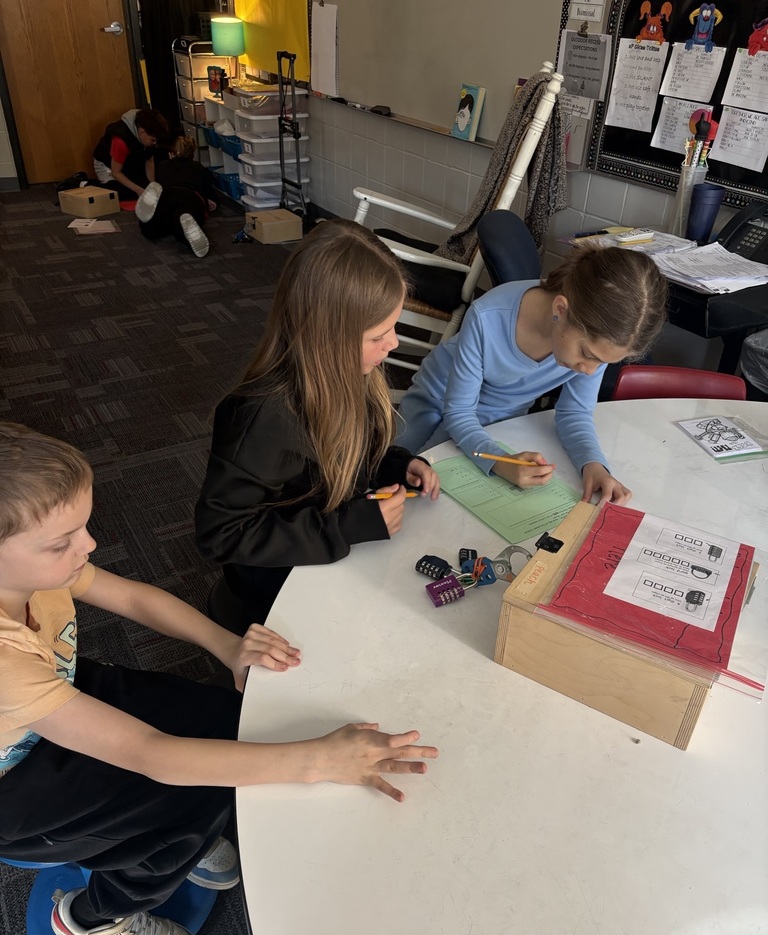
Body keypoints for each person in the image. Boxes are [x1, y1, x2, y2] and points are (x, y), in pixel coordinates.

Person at [0, 421, 438, 935]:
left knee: (228, 726)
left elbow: (132, 595)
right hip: (17, 785)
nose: (88, 547)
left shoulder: (37, 567)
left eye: (84, 528)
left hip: (59, 693)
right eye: (63, 543)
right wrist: (320, 760)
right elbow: (150, 754)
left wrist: (228, 645)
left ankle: (183, 840)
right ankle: (93, 918)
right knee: (184, 805)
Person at [195, 219, 442, 626]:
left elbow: (344, 459)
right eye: (380, 333)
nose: (394, 343)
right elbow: (221, 533)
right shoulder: (263, 417)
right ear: (329, 338)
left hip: (330, 558)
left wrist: (395, 464)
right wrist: (343, 528)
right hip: (277, 593)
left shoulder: (353, 373)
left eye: (394, 326)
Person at [396, 245, 669, 505]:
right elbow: (458, 414)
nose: (590, 370)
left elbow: (575, 413)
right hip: (438, 397)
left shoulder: (590, 344)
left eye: (604, 363)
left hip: (497, 418)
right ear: (560, 310)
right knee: (400, 475)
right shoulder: (488, 316)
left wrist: (594, 465)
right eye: (588, 355)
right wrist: (500, 461)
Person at [135, 135, 217, 258]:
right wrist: (211, 201)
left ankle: (148, 223)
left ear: (171, 154)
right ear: (192, 154)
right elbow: (208, 191)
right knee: (181, 222)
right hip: (191, 196)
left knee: (153, 228)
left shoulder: (163, 165)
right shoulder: (198, 167)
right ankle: (186, 233)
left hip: (167, 194)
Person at [93, 108, 169, 202]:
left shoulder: (147, 136)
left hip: (130, 162)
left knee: (147, 187)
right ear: (142, 132)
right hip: (108, 166)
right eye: (153, 140)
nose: (155, 143)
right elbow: (116, 172)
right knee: (120, 193)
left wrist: (152, 185)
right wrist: (139, 191)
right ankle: (87, 184)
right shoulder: (120, 140)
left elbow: (149, 160)